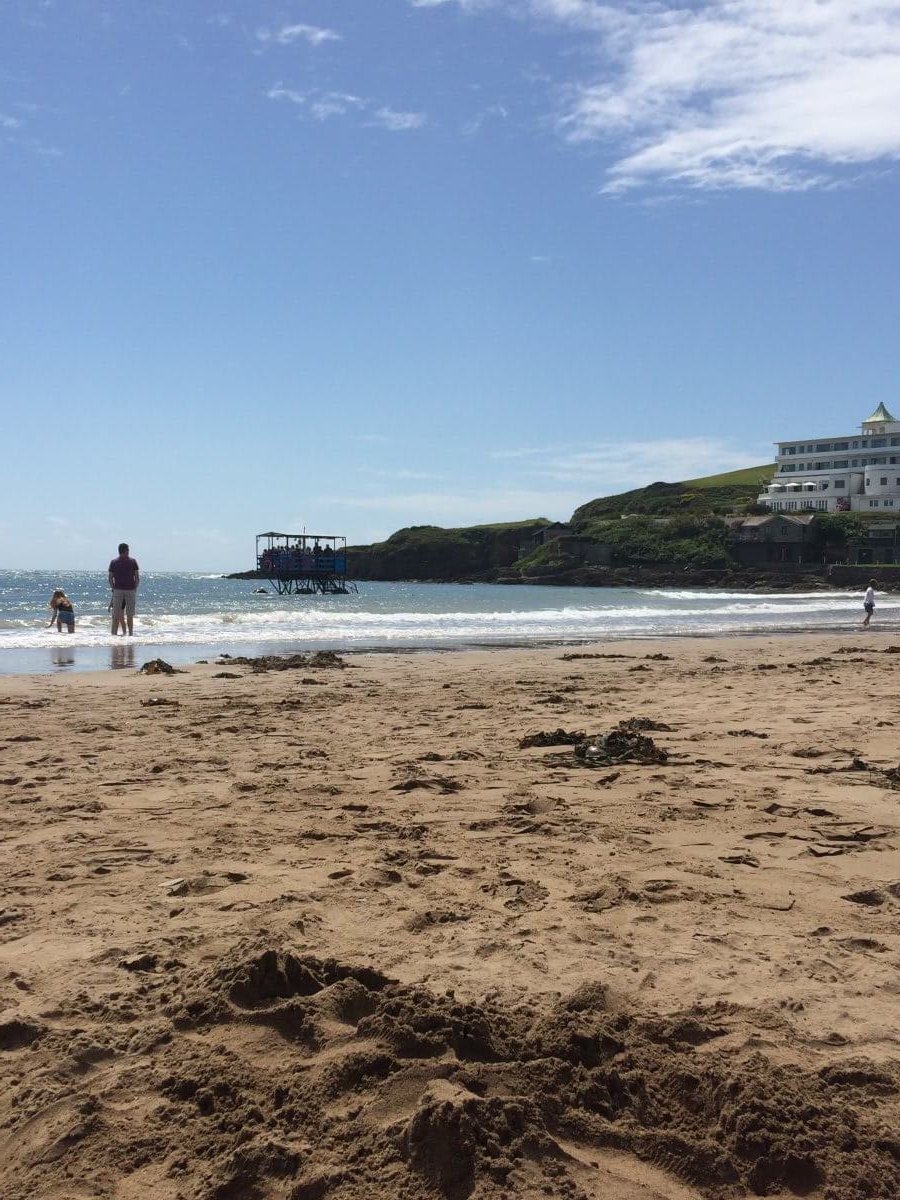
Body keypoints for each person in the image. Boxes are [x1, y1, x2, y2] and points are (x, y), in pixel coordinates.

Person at [108, 542, 140, 635]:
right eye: (128, 550)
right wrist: (135, 588)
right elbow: (137, 577)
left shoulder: (113, 562)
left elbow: (110, 578)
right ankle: (130, 634)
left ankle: (114, 634)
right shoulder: (133, 561)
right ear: (126, 550)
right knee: (130, 615)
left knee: (116, 615)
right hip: (130, 590)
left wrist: (113, 588)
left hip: (118, 590)